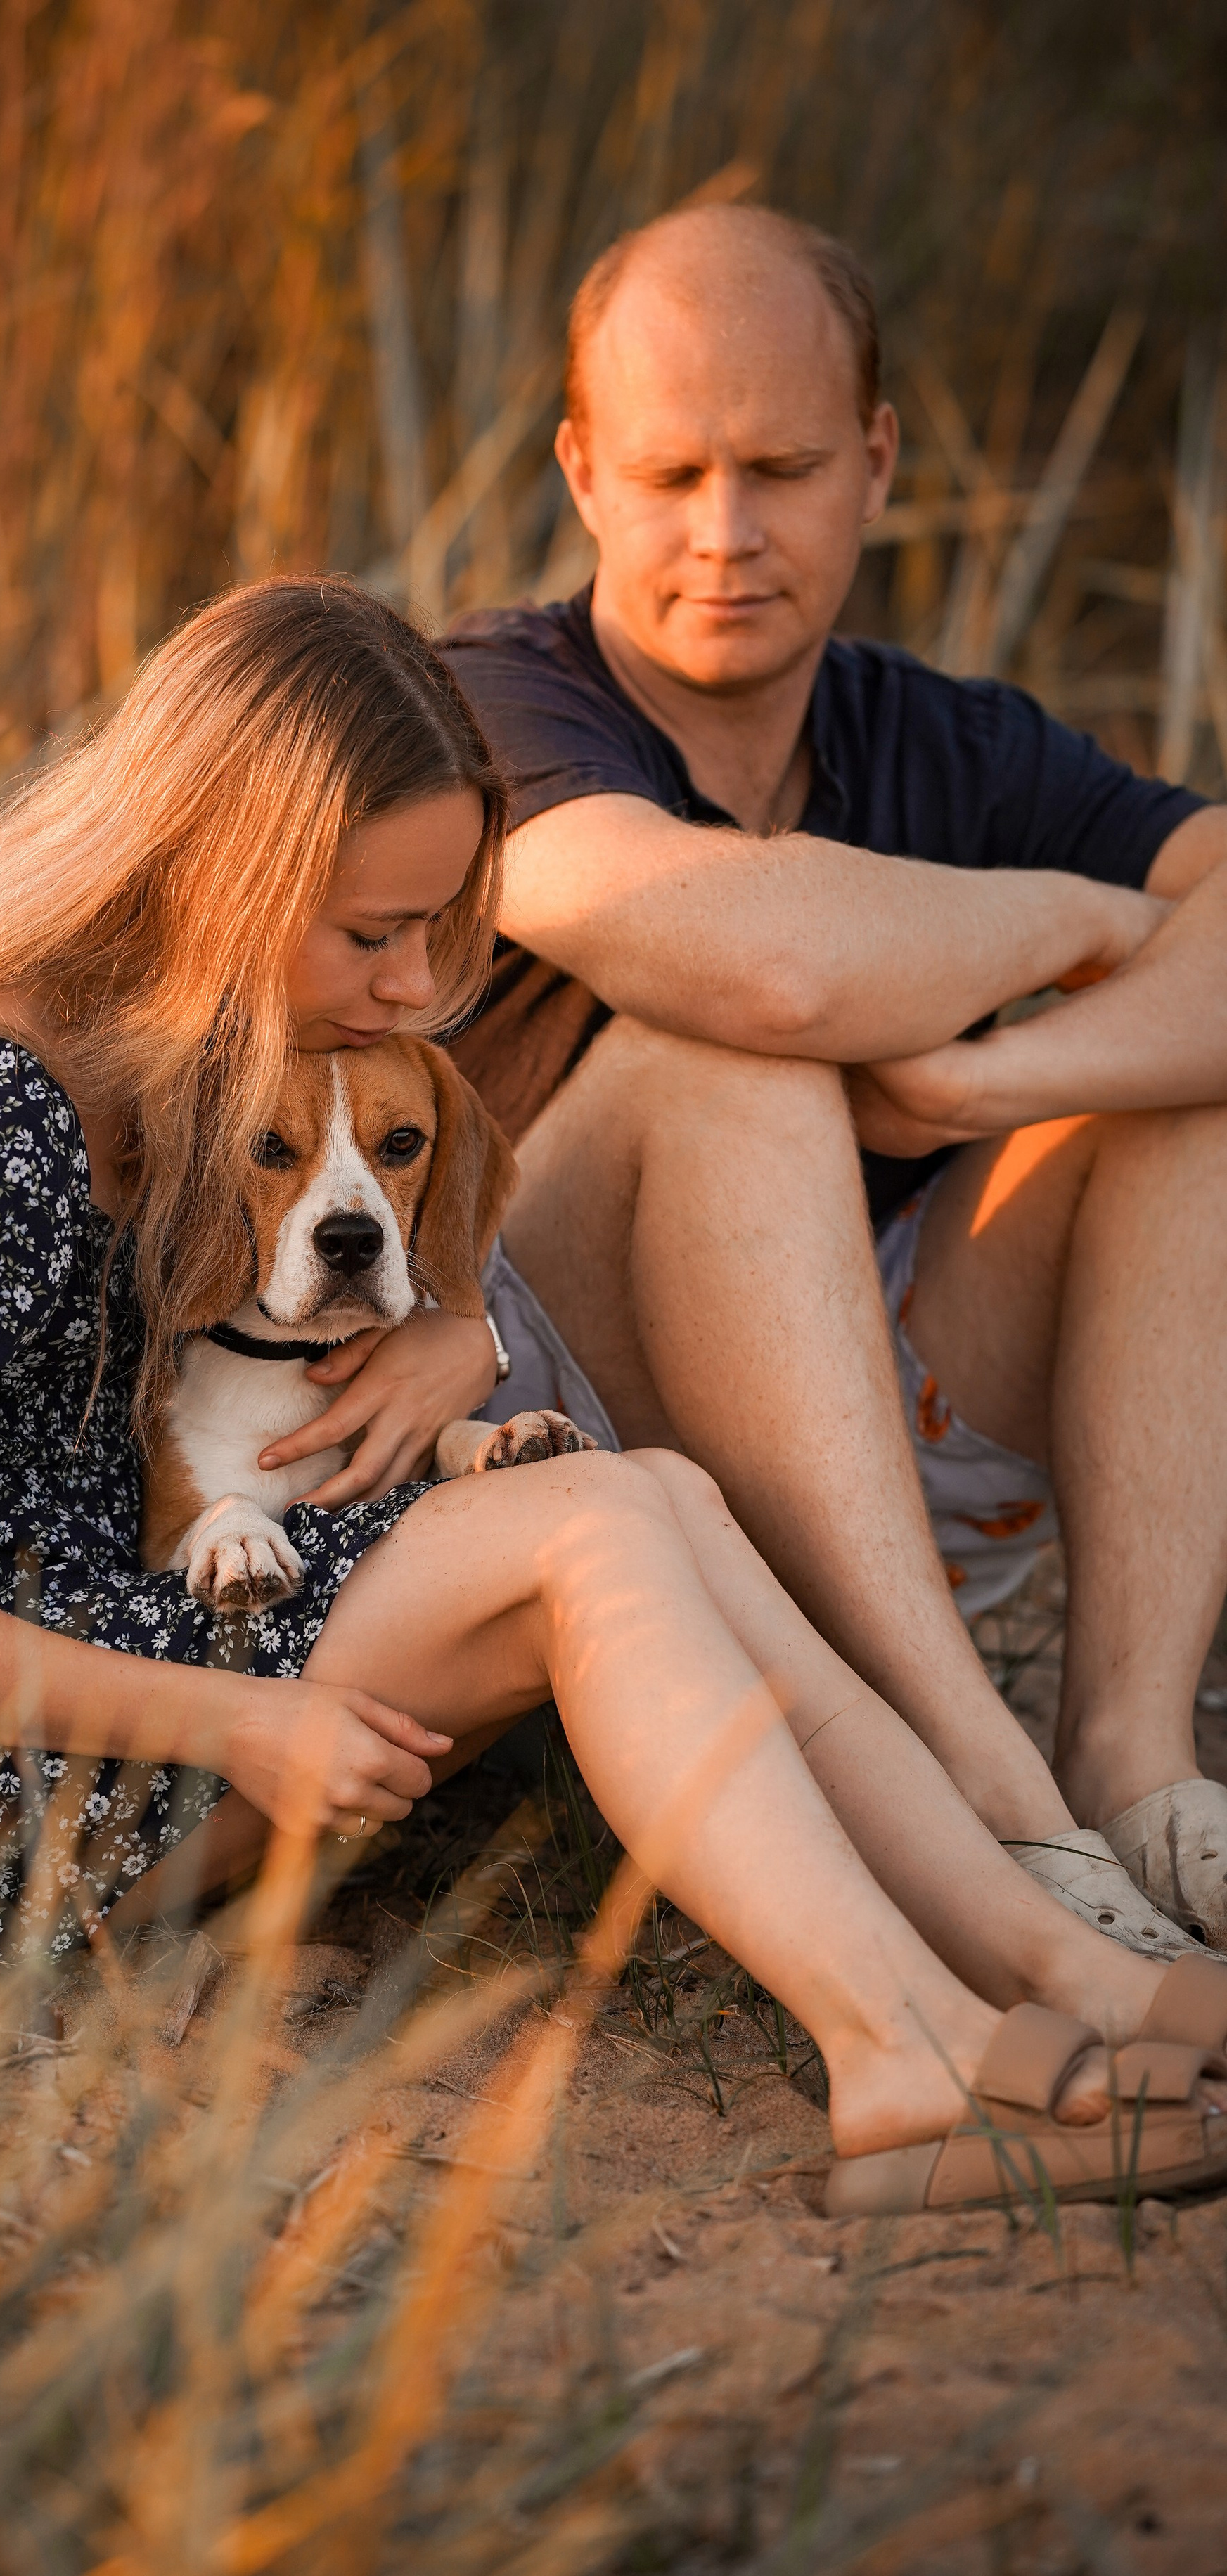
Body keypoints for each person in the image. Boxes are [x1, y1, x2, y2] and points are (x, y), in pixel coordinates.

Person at [0, 574, 1227, 2210]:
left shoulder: (183, 1062)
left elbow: (353, 1241)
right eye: (373, 935)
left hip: (123, 1676)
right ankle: (902, 2057)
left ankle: (1069, 1971)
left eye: (435, 931)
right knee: (584, 1532)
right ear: (218, 876)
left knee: (657, 1496)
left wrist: (459, 1324)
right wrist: (240, 1720)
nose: (414, 988)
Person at [438, 201, 1227, 1953]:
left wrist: (982, 1089)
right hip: (577, 1453)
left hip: (892, 1434)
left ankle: (1132, 1759)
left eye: (781, 469)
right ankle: (985, 1804)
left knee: (1176, 1087)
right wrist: (1075, 915)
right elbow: (770, 970)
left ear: (873, 463)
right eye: (671, 474)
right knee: (732, 1060)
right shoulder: (480, 708)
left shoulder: (945, 737)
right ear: (581, 473)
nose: (724, 535)